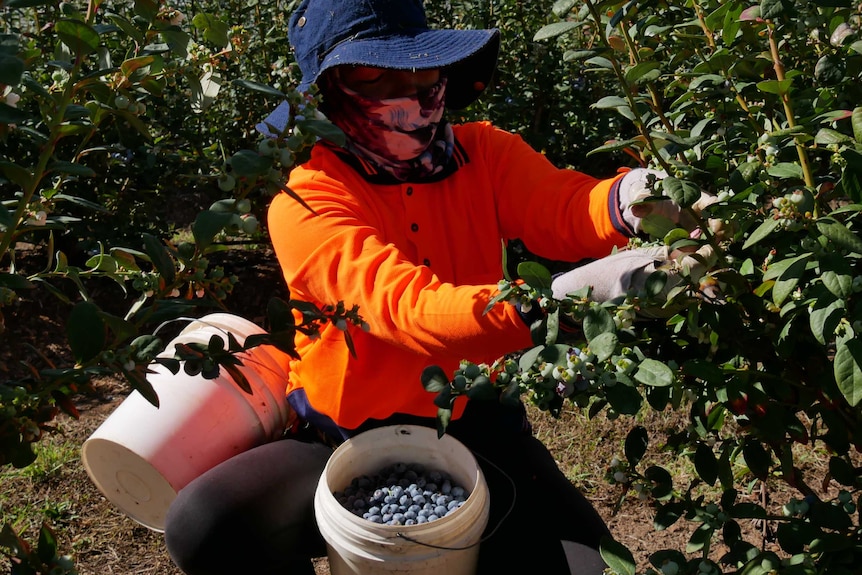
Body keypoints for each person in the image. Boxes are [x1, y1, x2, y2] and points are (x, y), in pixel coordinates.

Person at [163, 1, 703, 573]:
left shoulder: (485, 154)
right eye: (377, 75)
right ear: (329, 91)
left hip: (475, 416)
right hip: (340, 433)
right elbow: (407, 310)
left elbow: (564, 206)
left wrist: (636, 198)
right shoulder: (308, 199)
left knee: (590, 564)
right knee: (207, 523)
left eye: (420, 70)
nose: (410, 89)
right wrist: (558, 306)